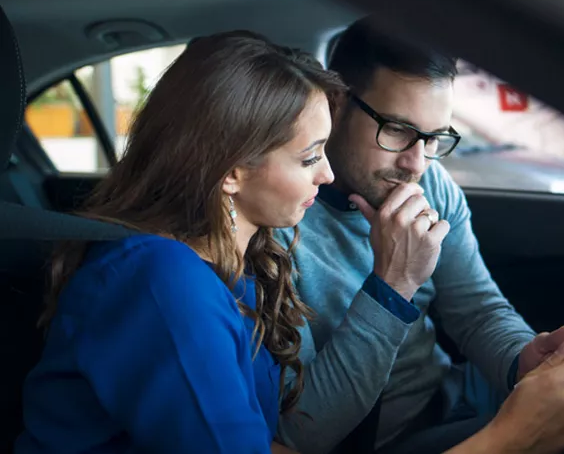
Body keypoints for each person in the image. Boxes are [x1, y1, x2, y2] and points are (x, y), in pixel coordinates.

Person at [275, 17, 564, 454]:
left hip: (451, 398)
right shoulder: (277, 219)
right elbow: (302, 431)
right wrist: (392, 287)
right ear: (335, 104)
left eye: (434, 138)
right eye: (396, 129)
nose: (417, 164)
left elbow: (478, 310)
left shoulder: (430, 185)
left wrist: (518, 358)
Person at [14, 31, 342, 454]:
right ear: (232, 172)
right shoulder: (163, 281)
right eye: (310, 157)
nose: (327, 175)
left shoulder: (227, 269)